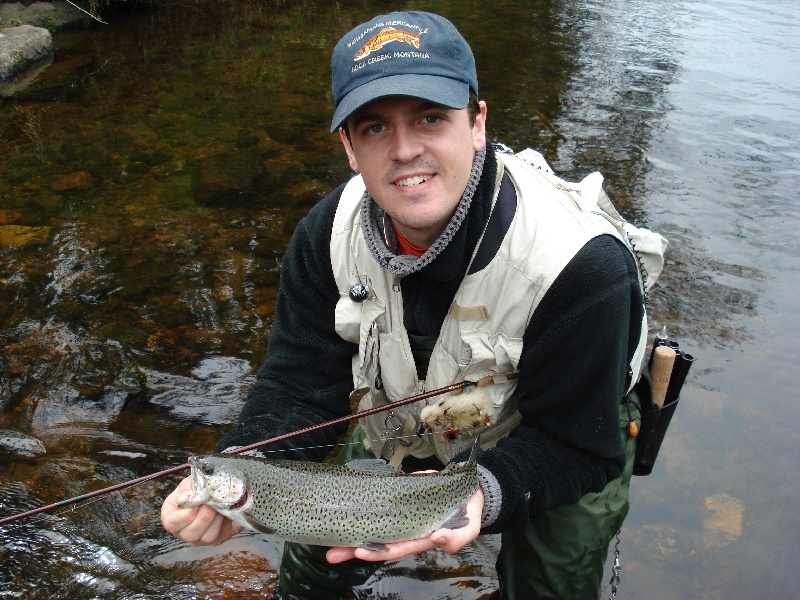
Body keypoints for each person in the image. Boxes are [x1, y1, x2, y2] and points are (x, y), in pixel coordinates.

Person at [161, 11, 647, 600]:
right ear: (348, 147)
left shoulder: (583, 265)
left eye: (431, 118)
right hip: (401, 414)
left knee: (551, 584)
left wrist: (480, 495)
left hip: (563, 435)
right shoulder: (325, 236)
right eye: (373, 128)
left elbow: (576, 444)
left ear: (477, 123)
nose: (405, 150)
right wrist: (243, 473)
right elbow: (298, 387)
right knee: (314, 569)